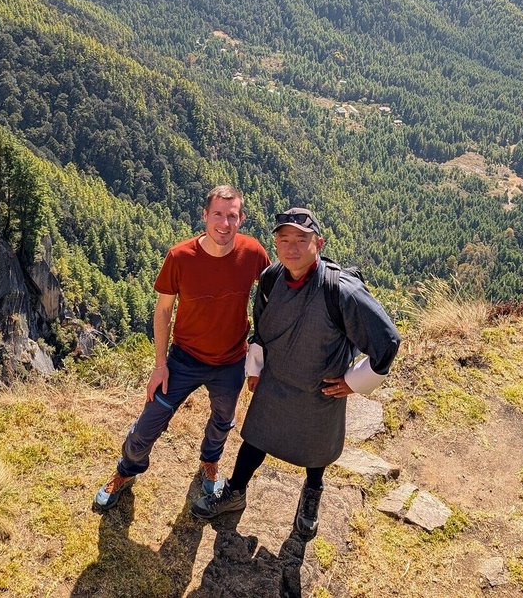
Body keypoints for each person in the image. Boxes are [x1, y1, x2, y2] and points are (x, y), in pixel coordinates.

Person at [190, 207, 401, 539]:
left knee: (316, 446)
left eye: (301, 240)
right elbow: (261, 327)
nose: (292, 247)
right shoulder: (273, 278)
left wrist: (352, 381)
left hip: (321, 387)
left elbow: (387, 341)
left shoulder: (340, 291)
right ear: (275, 243)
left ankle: (311, 495)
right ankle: (235, 491)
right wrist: (255, 368)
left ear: (319, 242)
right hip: (276, 379)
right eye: (284, 239)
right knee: (257, 434)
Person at [93, 185, 270, 511]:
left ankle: (210, 461)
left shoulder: (253, 254)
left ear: (241, 219)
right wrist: (160, 365)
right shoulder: (180, 257)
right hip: (184, 358)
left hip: (231, 359)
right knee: (149, 423)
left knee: (223, 420)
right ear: (204, 215)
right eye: (218, 214)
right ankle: (126, 471)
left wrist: (260, 357)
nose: (224, 223)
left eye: (232, 216)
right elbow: (163, 311)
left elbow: (273, 299)